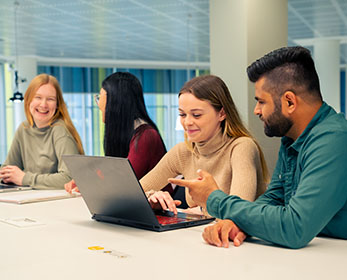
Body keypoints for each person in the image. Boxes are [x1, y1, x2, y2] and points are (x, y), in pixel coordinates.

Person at [169, 46, 347, 249]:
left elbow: (295, 227)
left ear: (289, 101)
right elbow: (274, 198)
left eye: (261, 102)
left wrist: (214, 199)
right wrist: (237, 223)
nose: (256, 110)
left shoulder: (334, 139)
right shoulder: (292, 138)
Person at [141, 74, 269, 215]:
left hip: (237, 236)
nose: (187, 122)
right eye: (183, 115)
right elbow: (133, 194)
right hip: (200, 233)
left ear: (222, 113)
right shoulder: (184, 150)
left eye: (196, 115)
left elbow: (239, 212)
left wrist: (202, 209)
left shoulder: (242, 147)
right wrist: (151, 199)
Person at [65, 72, 167, 192]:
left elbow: (123, 182)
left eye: (100, 97)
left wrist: (90, 182)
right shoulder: (128, 133)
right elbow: (114, 174)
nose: (98, 103)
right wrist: (86, 179)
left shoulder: (146, 136)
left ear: (116, 102)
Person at [0, 74, 84, 189]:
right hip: (29, 198)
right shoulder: (24, 128)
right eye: (38, 97)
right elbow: (7, 170)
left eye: (50, 99)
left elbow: (69, 179)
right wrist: (6, 175)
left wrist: (24, 178)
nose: (43, 104)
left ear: (57, 104)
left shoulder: (60, 131)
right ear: (29, 99)